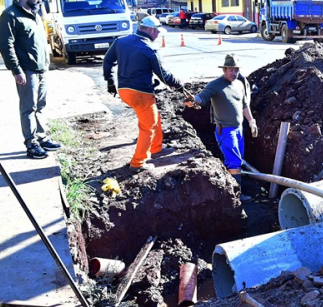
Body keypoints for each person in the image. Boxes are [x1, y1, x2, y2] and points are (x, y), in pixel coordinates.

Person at [103, 16, 184, 172]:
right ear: (151, 30)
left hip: (124, 90)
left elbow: (107, 60)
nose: (158, 35)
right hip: (140, 93)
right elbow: (163, 75)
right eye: (157, 32)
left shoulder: (121, 41)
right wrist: (178, 85)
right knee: (148, 126)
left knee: (154, 117)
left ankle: (156, 148)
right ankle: (138, 163)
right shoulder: (150, 49)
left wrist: (110, 82)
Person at [0, 0, 63, 159]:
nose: (40, 0)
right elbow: (6, 45)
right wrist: (16, 70)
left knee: (40, 106)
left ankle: (41, 137)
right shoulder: (10, 15)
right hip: (26, 71)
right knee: (29, 108)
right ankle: (31, 143)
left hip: (41, 69)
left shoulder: (34, 14)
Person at [184, 54, 258, 201]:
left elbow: (244, 105)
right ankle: (236, 197)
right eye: (231, 70)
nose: (234, 73)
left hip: (238, 129)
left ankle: (235, 189)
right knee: (234, 162)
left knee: (238, 160)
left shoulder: (239, 84)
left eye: (236, 70)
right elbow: (202, 98)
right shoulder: (215, 85)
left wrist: (251, 121)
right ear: (224, 69)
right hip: (225, 130)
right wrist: (193, 101)